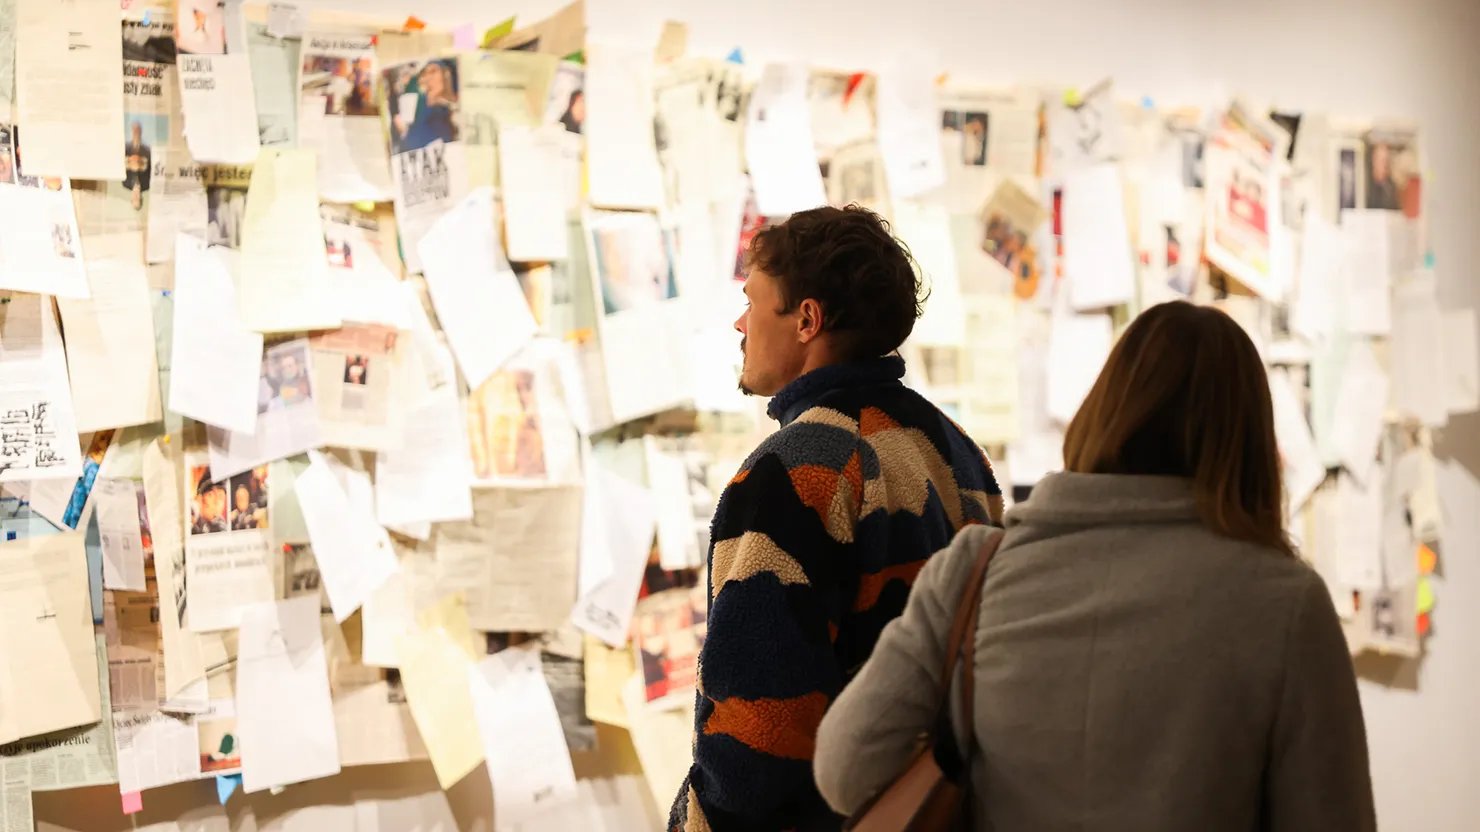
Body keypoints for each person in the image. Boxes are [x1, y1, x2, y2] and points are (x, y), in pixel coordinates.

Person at [814, 301, 1375, 832]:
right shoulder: (1286, 605)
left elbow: (844, 770)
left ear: (1103, 411)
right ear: (1248, 441)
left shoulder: (977, 570)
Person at [667, 205, 1004, 832]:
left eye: (752, 302)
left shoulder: (792, 474)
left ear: (806, 320)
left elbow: (758, 738)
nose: (740, 324)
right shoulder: (958, 451)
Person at [123, 121, 152, 211]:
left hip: (130, 154)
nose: (136, 196)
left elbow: (123, 164)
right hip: (143, 154)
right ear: (141, 197)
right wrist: (141, 165)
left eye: (134, 199)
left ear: (131, 198)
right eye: (138, 199)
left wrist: (131, 164)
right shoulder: (147, 184)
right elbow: (150, 165)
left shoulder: (125, 183)